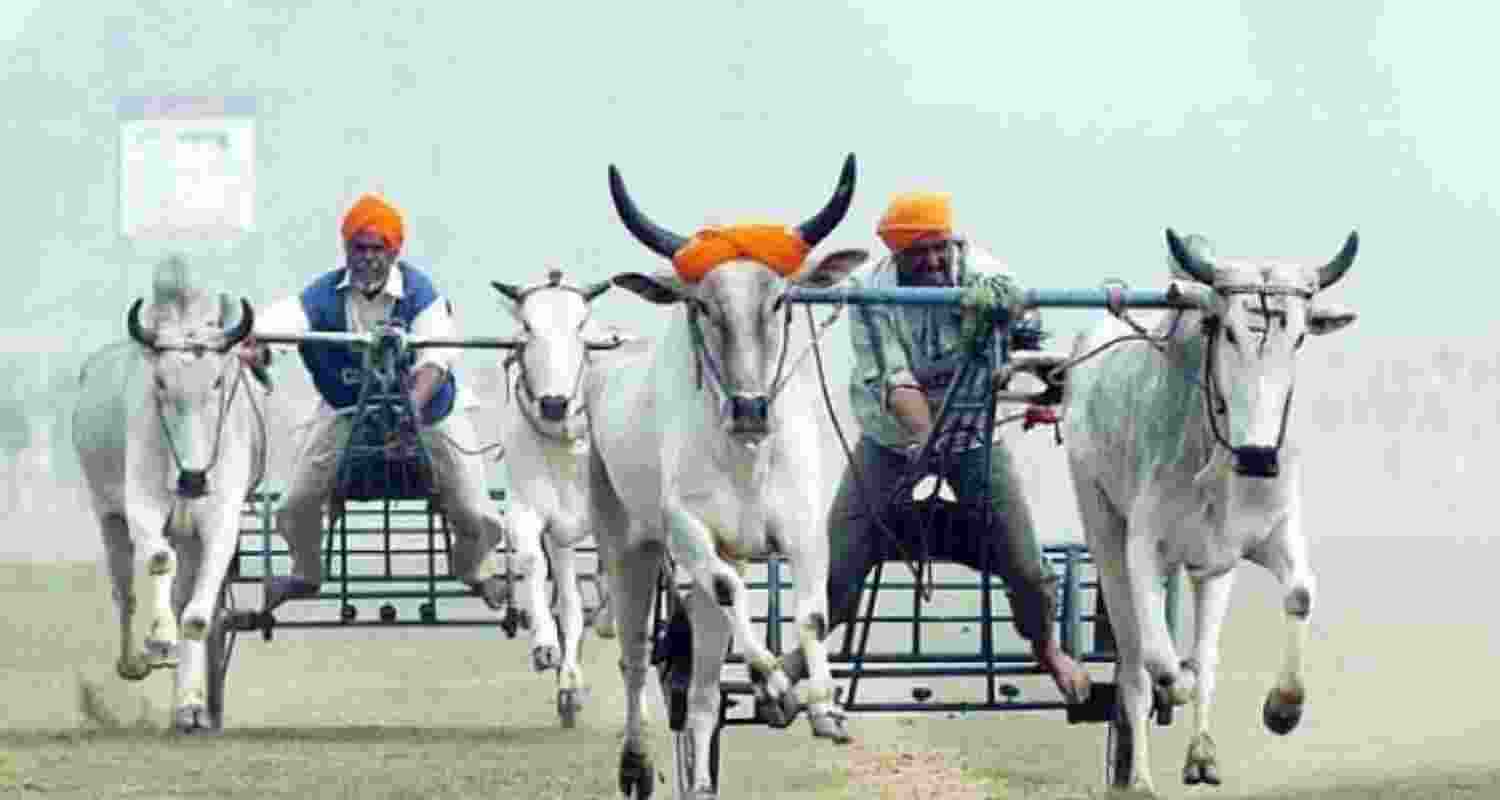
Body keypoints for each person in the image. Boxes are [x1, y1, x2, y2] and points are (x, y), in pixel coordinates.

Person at [781, 190, 1091, 704]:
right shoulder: (869, 294)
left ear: (953, 243)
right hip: (892, 437)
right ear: (895, 256)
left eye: (938, 248)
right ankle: (799, 660)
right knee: (837, 560)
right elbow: (895, 381)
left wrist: (1012, 320)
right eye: (916, 253)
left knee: (1026, 564)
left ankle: (1049, 649)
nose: (930, 260)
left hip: (973, 436)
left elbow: (1020, 316)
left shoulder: (981, 271)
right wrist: (927, 443)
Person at [241, 193, 510, 612]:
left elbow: (436, 360)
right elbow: (284, 323)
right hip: (347, 411)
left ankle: (474, 572)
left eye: (377, 249)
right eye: (358, 248)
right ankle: (307, 573)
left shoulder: (421, 293)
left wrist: (411, 410)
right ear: (345, 249)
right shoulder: (324, 294)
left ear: (395, 251)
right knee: (295, 504)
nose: (367, 259)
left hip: (430, 415)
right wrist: (256, 346)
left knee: (477, 512)